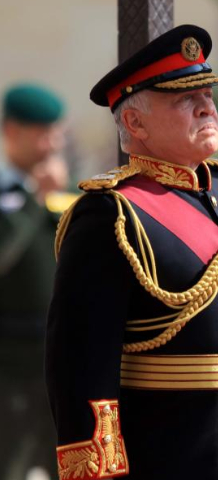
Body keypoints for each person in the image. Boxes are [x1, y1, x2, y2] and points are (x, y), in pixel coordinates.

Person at [45, 25, 218, 480]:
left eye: (207, 93)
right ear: (135, 123)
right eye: (185, 98)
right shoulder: (111, 215)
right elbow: (80, 369)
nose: (206, 106)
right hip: (167, 457)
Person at [0, 83, 67, 480]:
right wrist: (33, 201)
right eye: (42, 133)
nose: (52, 143)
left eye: (56, 131)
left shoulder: (67, 190)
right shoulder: (13, 194)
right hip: (10, 366)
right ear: (12, 131)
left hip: (60, 364)